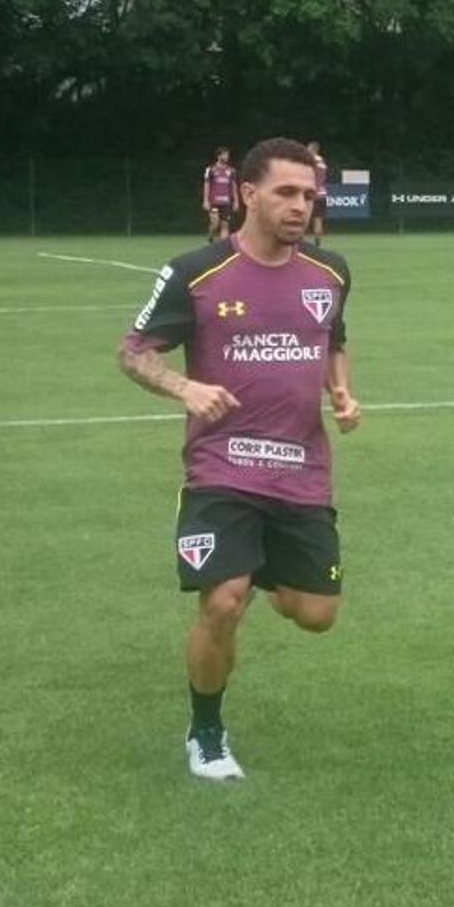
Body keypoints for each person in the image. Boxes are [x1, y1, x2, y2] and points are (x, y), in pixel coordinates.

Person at [118, 137, 361, 780]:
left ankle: (249, 564)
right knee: (222, 602)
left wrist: (342, 389)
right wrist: (184, 386)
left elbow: (332, 338)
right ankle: (205, 732)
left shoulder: (330, 273)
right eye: (285, 192)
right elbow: (134, 352)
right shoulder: (194, 272)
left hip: (302, 470)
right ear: (248, 194)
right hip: (222, 467)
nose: (300, 206)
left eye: (308, 195)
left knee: (316, 615)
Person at [201, 147, 237, 241]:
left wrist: (236, 201)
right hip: (214, 201)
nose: (227, 157)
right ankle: (211, 236)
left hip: (226, 202)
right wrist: (205, 200)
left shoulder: (231, 171)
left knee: (225, 225)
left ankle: (222, 247)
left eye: (227, 155)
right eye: (225, 155)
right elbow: (206, 185)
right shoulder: (211, 170)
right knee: (215, 223)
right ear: (219, 156)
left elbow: (233, 187)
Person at [306, 141, 331, 241]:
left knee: (303, 219)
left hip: (310, 194)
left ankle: (300, 246)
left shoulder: (309, 162)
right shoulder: (323, 163)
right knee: (318, 220)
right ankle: (318, 244)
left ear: (312, 149)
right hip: (322, 194)